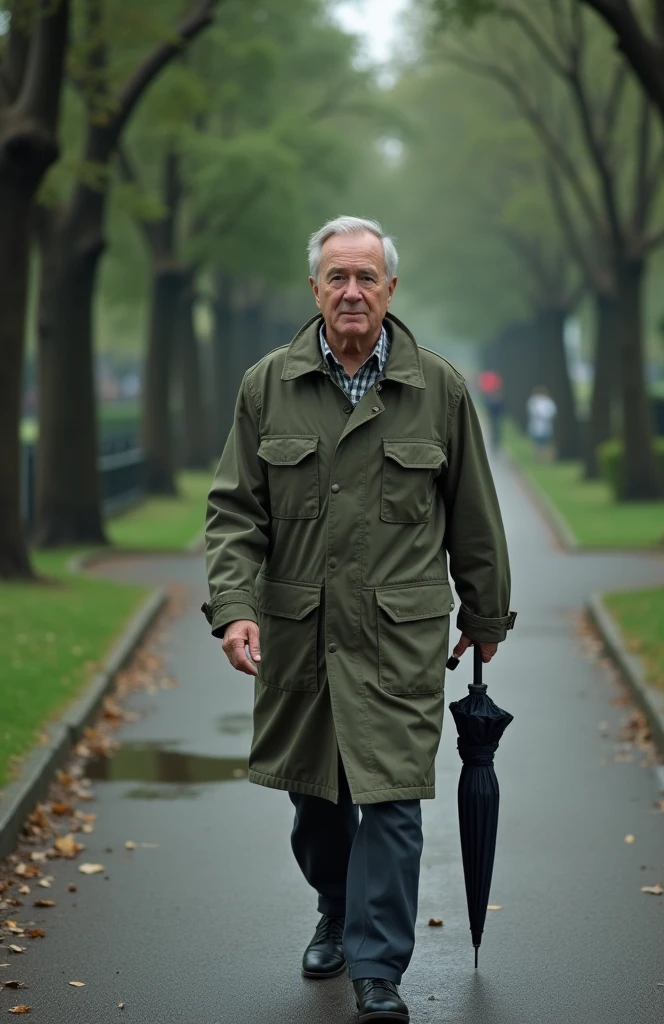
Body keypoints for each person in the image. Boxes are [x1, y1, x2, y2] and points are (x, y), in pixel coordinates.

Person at [203, 216, 515, 1024]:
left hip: (398, 638)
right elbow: (235, 513)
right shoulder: (265, 385)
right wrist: (234, 608)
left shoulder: (438, 388)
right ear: (314, 289)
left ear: (389, 290)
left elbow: (474, 514)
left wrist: (485, 613)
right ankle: (334, 907)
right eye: (336, 277)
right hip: (299, 635)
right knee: (317, 799)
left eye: (365, 278)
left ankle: (379, 970)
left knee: (392, 799)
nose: (350, 291)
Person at [527, 386, 557, 461]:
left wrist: (545, 415)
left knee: (545, 443)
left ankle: (545, 457)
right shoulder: (533, 401)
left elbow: (552, 412)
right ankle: (538, 457)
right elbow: (533, 412)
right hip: (536, 426)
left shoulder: (548, 402)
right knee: (537, 443)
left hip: (546, 426)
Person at [478, 369, 505, 452]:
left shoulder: (494, 400)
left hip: (496, 417)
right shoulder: (492, 400)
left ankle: (496, 442)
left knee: (496, 429)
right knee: (495, 428)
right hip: (494, 417)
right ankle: (495, 442)